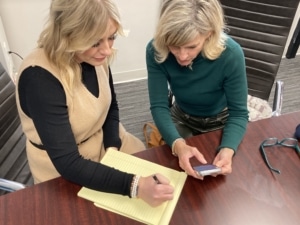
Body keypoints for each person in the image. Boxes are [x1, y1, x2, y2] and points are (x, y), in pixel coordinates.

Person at [15, 0, 174, 207]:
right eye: (95, 42)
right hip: (63, 165)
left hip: (105, 143)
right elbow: (68, 163)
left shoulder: (95, 57)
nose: (107, 50)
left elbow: (110, 107)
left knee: (159, 184)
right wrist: (135, 185)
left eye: (111, 37)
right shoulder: (40, 78)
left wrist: (112, 147)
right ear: (68, 36)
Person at [146, 0, 248, 179]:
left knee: (231, 174)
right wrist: (178, 144)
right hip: (182, 116)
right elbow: (159, 105)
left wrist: (228, 149)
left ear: (208, 34)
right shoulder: (155, 50)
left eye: (191, 46)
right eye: (174, 46)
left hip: (222, 119)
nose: (182, 56)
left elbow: (239, 112)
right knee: (172, 171)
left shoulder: (231, 54)